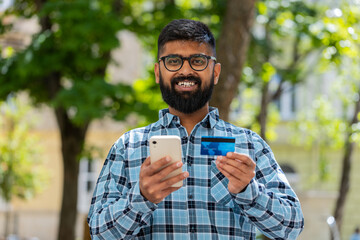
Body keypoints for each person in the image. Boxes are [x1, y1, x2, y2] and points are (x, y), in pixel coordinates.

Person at [87, 19, 304, 239]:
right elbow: (98, 233)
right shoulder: (127, 147)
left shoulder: (249, 145)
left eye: (198, 61)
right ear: (157, 72)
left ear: (216, 72)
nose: (186, 71)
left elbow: (292, 227)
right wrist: (141, 198)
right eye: (173, 61)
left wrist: (250, 191)